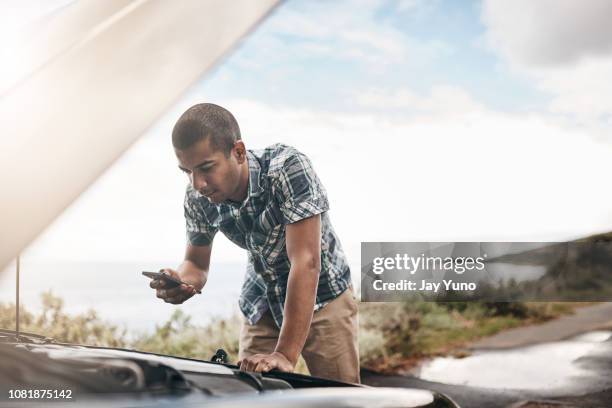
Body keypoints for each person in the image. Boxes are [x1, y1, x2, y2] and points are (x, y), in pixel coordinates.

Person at [150, 103, 359, 383]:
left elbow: (306, 262)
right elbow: (196, 264)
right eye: (186, 171)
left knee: (343, 399)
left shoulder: (286, 168)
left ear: (238, 152)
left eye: (206, 168)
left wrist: (284, 354)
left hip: (324, 295)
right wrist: (182, 281)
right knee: (251, 393)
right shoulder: (197, 197)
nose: (198, 183)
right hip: (261, 300)